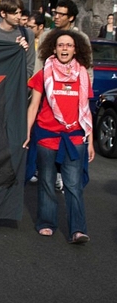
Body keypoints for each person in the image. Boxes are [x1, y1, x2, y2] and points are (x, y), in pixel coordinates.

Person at [24, 29, 94, 244]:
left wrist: (90, 141)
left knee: (73, 186)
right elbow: (34, 105)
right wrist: (27, 133)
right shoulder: (43, 73)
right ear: (53, 48)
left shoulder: (82, 74)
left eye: (69, 45)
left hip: (74, 139)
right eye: (61, 45)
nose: (65, 48)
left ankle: (78, 230)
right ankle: (46, 223)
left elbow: (86, 110)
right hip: (47, 136)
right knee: (46, 181)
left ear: (76, 50)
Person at [35, 0, 90, 76]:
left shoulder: (82, 38)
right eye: (56, 13)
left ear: (70, 17)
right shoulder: (45, 36)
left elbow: (87, 65)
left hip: (74, 83)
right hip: (49, 81)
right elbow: (39, 62)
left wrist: (88, 85)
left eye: (61, 14)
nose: (56, 17)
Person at [0, 0, 35, 79]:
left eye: (20, 12)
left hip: (16, 84)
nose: (19, 17)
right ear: (3, 13)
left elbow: (29, 65)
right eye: (15, 13)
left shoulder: (27, 34)